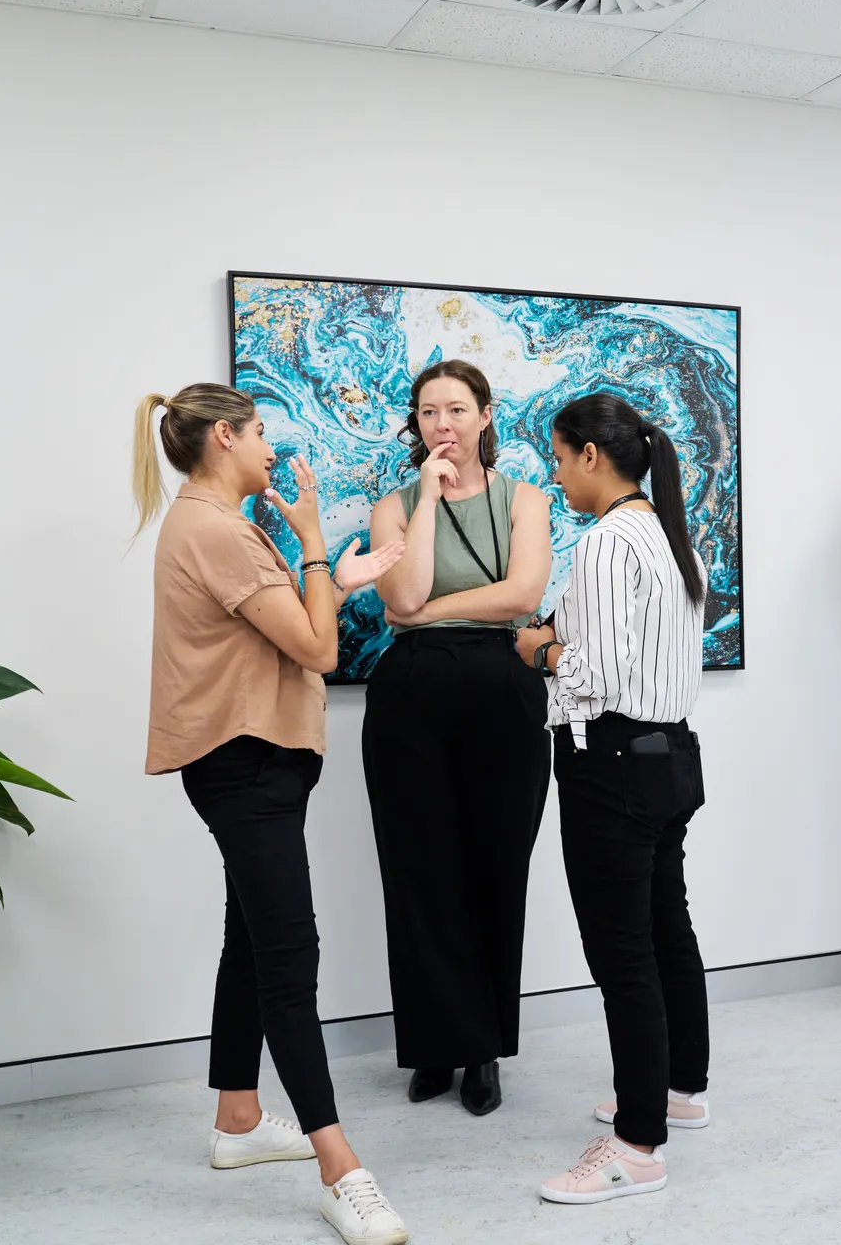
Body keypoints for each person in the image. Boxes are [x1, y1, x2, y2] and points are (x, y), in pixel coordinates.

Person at [134, 382, 410, 1245]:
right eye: (258, 431)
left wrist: (335, 579)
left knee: (252, 940)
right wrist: (318, 548)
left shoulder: (210, 524)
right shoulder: (217, 531)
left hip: (250, 763)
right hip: (245, 766)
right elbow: (319, 648)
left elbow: (284, 628)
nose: (269, 447)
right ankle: (341, 1169)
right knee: (291, 954)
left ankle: (239, 1118)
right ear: (223, 437)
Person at [513, 393, 710, 1206]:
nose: (557, 477)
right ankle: (679, 1090)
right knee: (666, 930)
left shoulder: (603, 543)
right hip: (670, 756)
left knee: (623, 955)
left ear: (592, 456)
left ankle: (636, 1147)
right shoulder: (670, 535)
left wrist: (540, 648)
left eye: (560, 459)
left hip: (612, 765)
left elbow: (594, 675)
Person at [363, 359, 554, 1117]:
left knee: (495, 869)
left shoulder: (525, 500)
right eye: (428, 412)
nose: (441, 424)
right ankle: (434, 1046)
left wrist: (427, 612)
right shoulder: (393, 507)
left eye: (456, 409)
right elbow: (403, 591)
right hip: (409, 692)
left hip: (501, 687)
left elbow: (524, 595)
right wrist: (428, 501)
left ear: (485, 415)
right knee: (420, 873)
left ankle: (484, 1050)